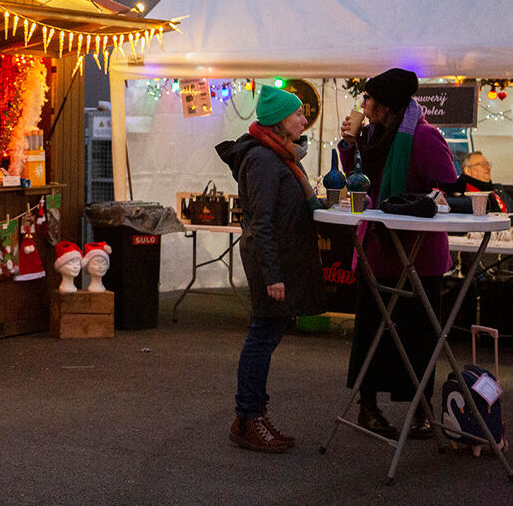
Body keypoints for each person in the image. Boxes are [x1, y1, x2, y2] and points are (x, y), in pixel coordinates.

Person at [338, 67, 457, 440]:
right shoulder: (370, 136)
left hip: (418, 254)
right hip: (379, 250)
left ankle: (422, 409)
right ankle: (367, 406)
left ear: (385, 104)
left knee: (419, 332)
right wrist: (348, 144)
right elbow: (358, 180)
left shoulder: (423, 137)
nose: (363, 105)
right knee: (371, 330)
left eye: (369, 99)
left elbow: (449, 183)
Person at [215, 85, 325, 453]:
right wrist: (273, 274)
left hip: (279, 259)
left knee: (267, 334)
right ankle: (247, 418)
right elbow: (261, 221)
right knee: (262, 335)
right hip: (270, 262)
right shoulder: (264, 160)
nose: (303, 119)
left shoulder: (282, 157)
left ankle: (252, 415)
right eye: (297, 114)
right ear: (280, 119)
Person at [446, 151, 512, 214]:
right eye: (482, 164)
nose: (487, 168)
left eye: (487, 164)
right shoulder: (460, 192)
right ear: (468, 170)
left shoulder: (498, 190)